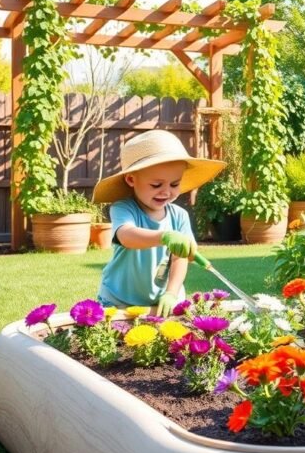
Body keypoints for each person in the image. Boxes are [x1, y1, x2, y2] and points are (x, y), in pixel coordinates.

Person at [92, 130, 225, 315]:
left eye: (174, 184)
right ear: (131, 179)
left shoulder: (179, 216)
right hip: (119, 299)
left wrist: (171, 292)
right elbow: (126, 236)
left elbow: (181, 257)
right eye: (156, 185)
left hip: (164, 300)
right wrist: (164, 236)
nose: (166, 192)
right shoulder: (124, 208)